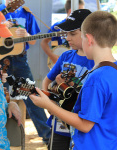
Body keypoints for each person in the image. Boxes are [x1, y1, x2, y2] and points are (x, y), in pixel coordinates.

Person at [30, 10, 117, 150]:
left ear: (88, 39)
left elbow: (85, 125)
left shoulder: (96, 79)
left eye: (81, 37)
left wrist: (49, 105)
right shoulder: (113, 71)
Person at [0, 0, 51, 144]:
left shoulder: (26, 12)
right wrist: (0, 29)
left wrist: (26, 33)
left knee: (31, 96)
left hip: (20, 60)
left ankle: (48, 137)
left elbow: (32, 41)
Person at [42, 9, 94, 150]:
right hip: (60, 123)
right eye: (66, 34)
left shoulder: (96, 61)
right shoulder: (66, 56)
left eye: (72, 33)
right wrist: (50, 103)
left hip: (82, 124)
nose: (67, 38)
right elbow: (46, 81)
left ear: (87, 34)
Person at [40, 0, 85, 65]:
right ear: (70, 11)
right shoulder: (58, 26)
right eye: (80, 11)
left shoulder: (82, 27)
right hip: (63, 62)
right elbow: (44, 42)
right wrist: (53, 57)